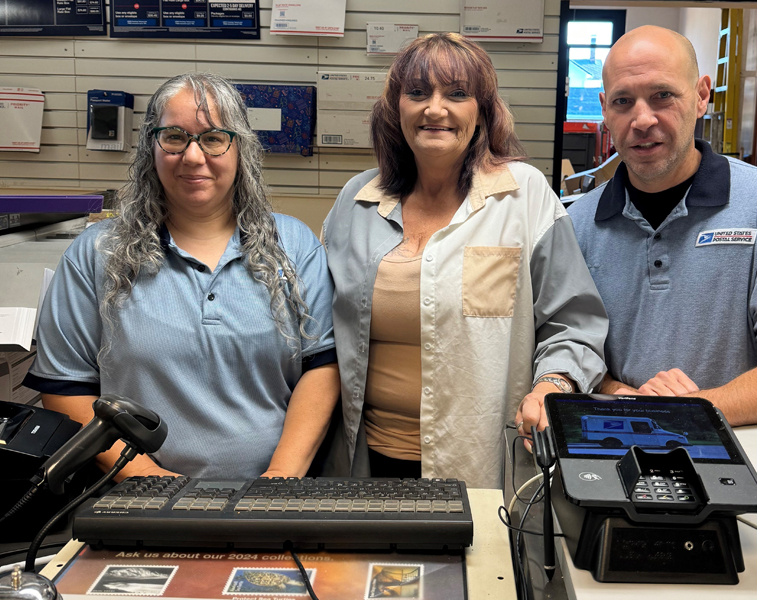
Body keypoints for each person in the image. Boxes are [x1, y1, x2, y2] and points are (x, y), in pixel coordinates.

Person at [323, 33, 608, 488]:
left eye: (457, 93)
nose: (435, 108)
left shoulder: (525, 196)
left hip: (480, 462)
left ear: (483, 110)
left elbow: (574, 323)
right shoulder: (354, 203)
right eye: (417, 93)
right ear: (396, 108)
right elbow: (320, 331)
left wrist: (553, 385)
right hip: (365, 458)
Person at [24, 73, 339, 479]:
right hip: (137, 501)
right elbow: (66, 388)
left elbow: (322, 367)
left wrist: (279, 478)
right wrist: (151, 484)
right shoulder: (97, 253)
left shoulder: (293, 244)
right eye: (174, 137)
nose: (193, 157)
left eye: (212, 138)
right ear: (150, 148)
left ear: (240, 147)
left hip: (273, 498)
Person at [568, 26, 757, 426]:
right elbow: (569, 347)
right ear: (605, 110)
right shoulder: (577, 224)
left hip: (739, 452)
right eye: (624, 101)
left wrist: (690, 412)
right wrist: (616, 392)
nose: (642, 120)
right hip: (615, 436)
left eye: (663, 95)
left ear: (700, 96)